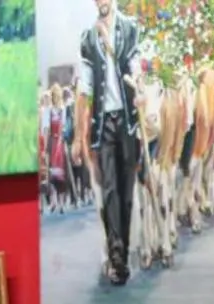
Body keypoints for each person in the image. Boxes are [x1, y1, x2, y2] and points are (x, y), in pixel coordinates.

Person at [80, 0, 140, 286]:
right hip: (103, 125)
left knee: (127, 193)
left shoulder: (130, 29)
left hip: (128, 122)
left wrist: (140, 86)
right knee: (110, 191)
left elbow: (134, 67)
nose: (102, 1)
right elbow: (86, 86)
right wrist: (81, 134)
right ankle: (117, 259)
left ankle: (123, 251)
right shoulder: (88, 38)